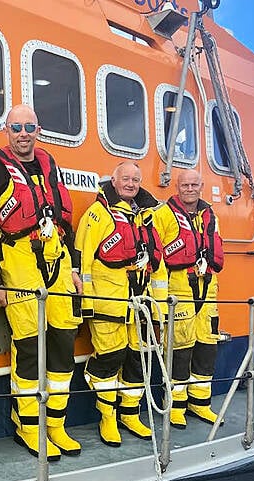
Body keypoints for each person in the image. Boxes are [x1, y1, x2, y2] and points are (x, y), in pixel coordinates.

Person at [0, 104, 83, 461]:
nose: (23, 134)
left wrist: (74, 268)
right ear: (6, 131)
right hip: (19, 260)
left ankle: (55, 424)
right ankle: (28, 426)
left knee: (62, 342)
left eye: (29, 127)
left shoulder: (50, 168)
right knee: (29, 347)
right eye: (16, 127)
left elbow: (65, 221)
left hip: (58, 260)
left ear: (37, 129)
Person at [75, 161, 167, 446]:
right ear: (113, 181)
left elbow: (159, 266)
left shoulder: (147, 217)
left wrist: (160, 308)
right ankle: (108, 418)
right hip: (109, 304)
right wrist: (87, 304)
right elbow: (83, 260)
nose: (130, 184)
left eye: (135, 180)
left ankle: (130, 414)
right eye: (125, 178)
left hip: (142, 303)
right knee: (109, 359)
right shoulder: (98, 214)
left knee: (139, 360)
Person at [152, 169, 224, 428]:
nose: (190, 189)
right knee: (179, 352)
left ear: (201, 186)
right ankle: (176, 406)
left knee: (207, 349)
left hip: (208, 293)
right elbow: (156, 259)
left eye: (194, 184)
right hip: (178, 292)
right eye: (185, 185)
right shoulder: (162, 216)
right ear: (177, 186)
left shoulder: (210, 215)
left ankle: (201, 404)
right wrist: (159, 302)